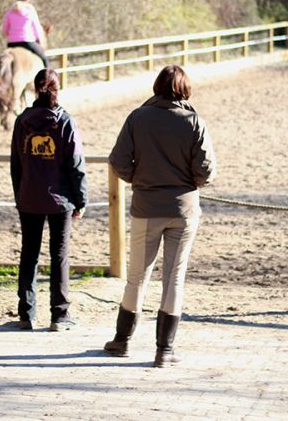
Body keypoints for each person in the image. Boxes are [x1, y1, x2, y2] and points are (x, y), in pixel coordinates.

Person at [104, 65, 217, 368]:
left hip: (146, 208)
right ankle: (164, 349)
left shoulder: (137, 118)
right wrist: (190, 183)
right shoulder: (194, 122)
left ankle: (122, 340)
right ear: (184, 89)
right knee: (173, 279)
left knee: (137, 277)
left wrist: (139, 179)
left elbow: (118, 161)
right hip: (183, 210)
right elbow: (206, 170)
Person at [10, 68, 88, 331]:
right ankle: (60, 314)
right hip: (60, 200)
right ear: (57, 89)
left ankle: (26, 313)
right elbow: (75, 164)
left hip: (29, 196)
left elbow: (16, 164)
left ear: (35, 89)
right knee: (59, 255)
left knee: (29, 253)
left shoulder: (22, 121)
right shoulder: (65, 121)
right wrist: (81, 199)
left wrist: (19, 195)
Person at [2, 0, 48, 68]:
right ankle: (47, 78)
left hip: (12, 44)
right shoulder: (30, 11)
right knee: (44, 59)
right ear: (28, 0)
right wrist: (40, 40)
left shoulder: (9, 12)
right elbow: (36, 27)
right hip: (27, 42)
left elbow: (5, 30)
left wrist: (12, 36)